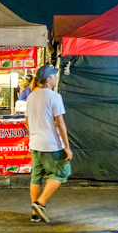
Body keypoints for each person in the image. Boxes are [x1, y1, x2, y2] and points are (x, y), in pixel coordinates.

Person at [25, 64, 72, 223]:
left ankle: (34, 214)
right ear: (47, 79)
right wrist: (67, 146)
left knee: (36, 177)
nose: (56, 78)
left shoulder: (32, 96)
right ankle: (40, 202)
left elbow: (26, 121)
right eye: (54, 76)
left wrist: (35, 133)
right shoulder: (54, 97)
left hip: (35, 143)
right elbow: (60, 123)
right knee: (62, 172)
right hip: (50, 144)